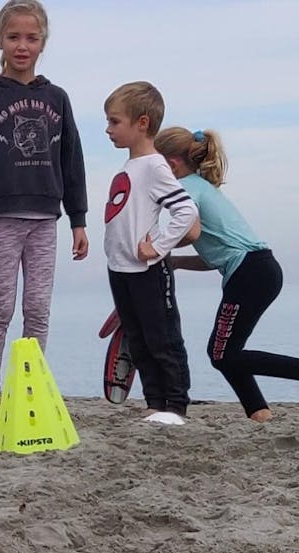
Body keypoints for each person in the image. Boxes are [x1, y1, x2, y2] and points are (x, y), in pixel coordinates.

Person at [0, 0, 89, 424]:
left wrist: (78, 220)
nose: (22, 46)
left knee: (38, 309)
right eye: (14, 37)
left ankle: (30, 389)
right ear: (0, 40)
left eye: (31, 38)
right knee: (0, 307)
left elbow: (72, 160)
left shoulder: (57, 98)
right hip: (0, 218)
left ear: (43, 42)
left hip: (46, 218)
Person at [153, 127, 299, 421]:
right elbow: (218, 256)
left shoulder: (187, 188)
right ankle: (259, 413)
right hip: (257, 270)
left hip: (251, 274)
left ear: (170, 165)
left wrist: (155, 247)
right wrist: (179, 262)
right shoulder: (202, 188)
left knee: (222, 354)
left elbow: (187, 229)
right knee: (226, 352)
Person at [102, 81, 200, 425]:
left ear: (141, 123)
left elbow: (185, 212)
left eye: (115, 122)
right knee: (138, 339)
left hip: (148, 272)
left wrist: (158, 247)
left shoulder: (156, 166)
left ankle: (175, 404)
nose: (108, 129)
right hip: (121, 269)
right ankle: (154, 401)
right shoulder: (130, 166)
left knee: (163, 338)